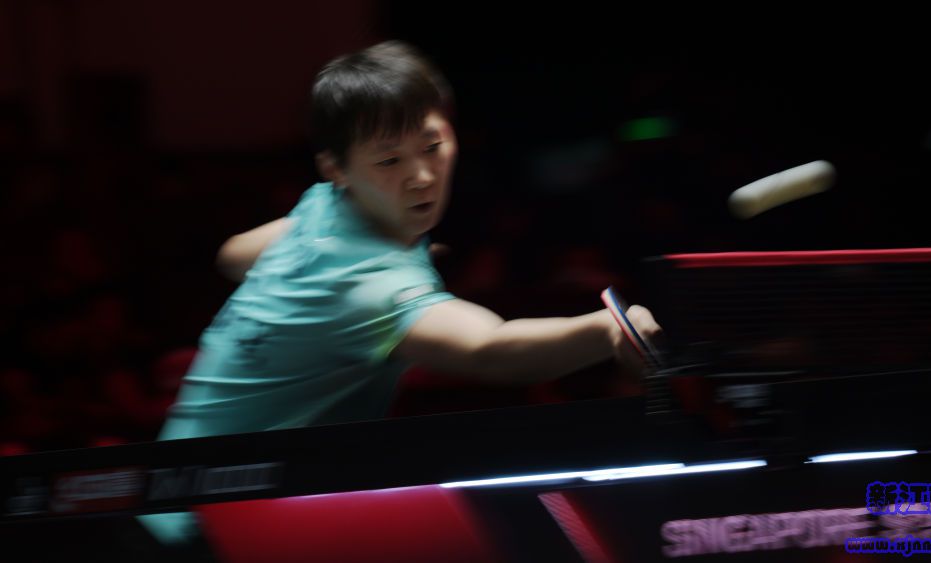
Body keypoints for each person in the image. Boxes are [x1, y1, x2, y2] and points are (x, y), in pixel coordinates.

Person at [141, 40, 662, 547]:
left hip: (169, 491)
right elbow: (490, 349)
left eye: (432, 147)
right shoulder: (372, 287)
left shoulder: (320, 205)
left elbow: (232, 255)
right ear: (336, 168)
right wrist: (606, 329)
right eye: (389, 161)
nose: (421, 177)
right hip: (207, 531)